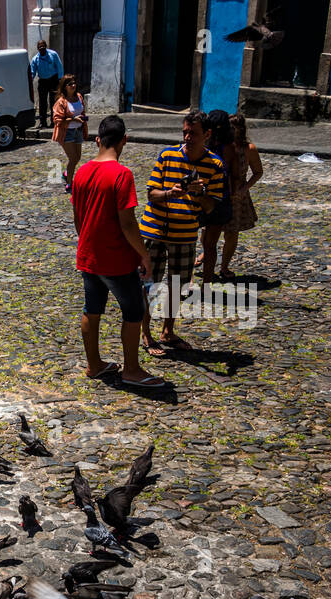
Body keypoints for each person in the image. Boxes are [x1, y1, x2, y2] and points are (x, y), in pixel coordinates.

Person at [71, 116, 165, 390]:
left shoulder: (81, 172)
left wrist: (87, 241)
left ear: (98, 140)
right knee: (133, 312)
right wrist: (143, 256)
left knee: (92, 309)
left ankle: (94, 364)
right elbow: (127, 223)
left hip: (89, 255)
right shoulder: (122, 174)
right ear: (124, 140)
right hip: (117, 260)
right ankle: (132, 370)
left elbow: (78, 218)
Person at [138, 110, 224, 356]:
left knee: (178, 286)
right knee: (148, 285)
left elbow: (210, 207)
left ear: (207, 135)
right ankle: (146, 334)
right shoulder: (167, 156)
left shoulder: (215, 165)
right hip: (153, 231)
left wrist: (199, 193)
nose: (187, 137)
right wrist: (169, 194)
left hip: (184, 235)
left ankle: (168, 330)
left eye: (193, 133)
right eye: (185, 131)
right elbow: (151, 194)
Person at [219, 113, 262, 280]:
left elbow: (258, 172)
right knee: (208, 232)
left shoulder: (249, 149)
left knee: (231, 234)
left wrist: (245, 188)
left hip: (237, 197)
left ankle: (224, 266)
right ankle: (206, 256)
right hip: (219, 194)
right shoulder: (220, 146)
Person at [196, 109, 235, 282]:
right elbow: (233, 175)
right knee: (210, 245)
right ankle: (207, 281)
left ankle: (187, 281)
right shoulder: (229, 147)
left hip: (200, 196)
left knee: (190, 241)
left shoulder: (202, 144)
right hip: (220, 197)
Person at [52, 75, 88, 192]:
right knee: (73, 158)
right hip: (67, 132)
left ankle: (67, 173)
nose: (73, 85)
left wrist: (82, 119)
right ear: (65, 87)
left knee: (77, 157)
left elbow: (81, 110)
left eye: (74, 83)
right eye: (70, 84)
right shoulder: (61, 102)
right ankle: (69, 183)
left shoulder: (79, 97)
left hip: (78, 130)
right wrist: (73, 119)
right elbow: (57, 120)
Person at [31, 41, 64, 129]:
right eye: (40, 47)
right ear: (38, 49)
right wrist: (29, 81)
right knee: (42, 103)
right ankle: (43, 122)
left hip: (53, 80)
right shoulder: (35, 59)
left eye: (43, 47)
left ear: (46, 47)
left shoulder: (53, 54)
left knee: (54, 101)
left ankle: (54, 121)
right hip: (43, 82)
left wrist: (60, 79)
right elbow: (32, 72)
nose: (42, 49)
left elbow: (59, 66)